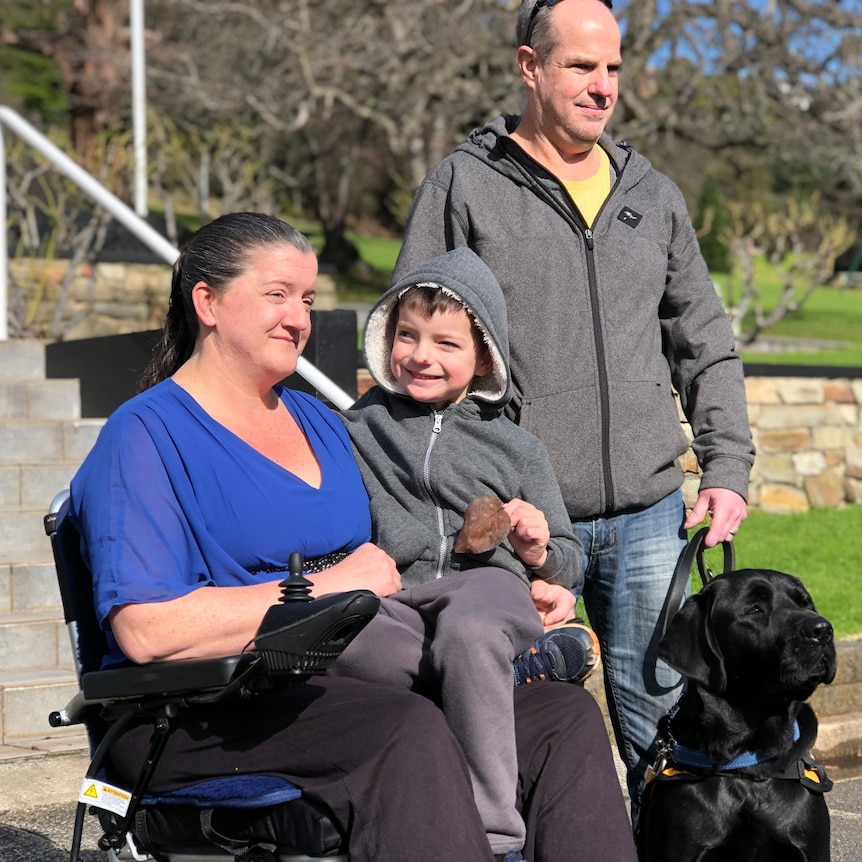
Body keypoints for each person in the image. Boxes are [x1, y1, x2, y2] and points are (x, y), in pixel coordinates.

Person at [68, 212, 638, 862]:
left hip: (342, 674)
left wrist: (527, 581)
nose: (299, 317)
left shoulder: (321, 423)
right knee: (408, 729)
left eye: (307, 299)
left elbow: (416, 543)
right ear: (209, 302)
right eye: (277, 294)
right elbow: (146, 631)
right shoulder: (144, 436)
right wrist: (324, 590)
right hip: (206, 708)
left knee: (561, 720)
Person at [393, 0, 756, 817]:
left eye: (614, 69)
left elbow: (704, 338)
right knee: (514, 732)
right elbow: (411, 347)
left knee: (666, 739)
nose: (602, 88)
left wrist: (726, 467)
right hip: (519, 521)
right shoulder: (464, 184)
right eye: (581, 67)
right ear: (530, 67)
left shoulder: (651, 193)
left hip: (649, 516)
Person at [337, 246, 599, 860]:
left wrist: (538, 549)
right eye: (407, 335)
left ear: (484, 357)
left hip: (487, 591)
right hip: (399, 597)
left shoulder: (516, 448)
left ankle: (491, 830)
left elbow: (567, 561)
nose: (421, 355)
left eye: (446, 344)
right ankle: (514, 673)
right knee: (350, 637)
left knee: (468, 632)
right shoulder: (357, 428)